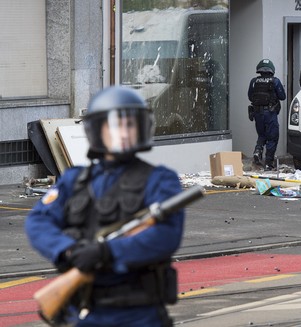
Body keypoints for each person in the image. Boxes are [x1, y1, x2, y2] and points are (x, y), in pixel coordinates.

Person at [25, 86, 184, 327]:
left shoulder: (160, 179)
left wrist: (107, 252)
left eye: (130, 125)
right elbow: (38, 222)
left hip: (139, 314)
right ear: (97, 131)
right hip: (86, 311)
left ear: (142, 128)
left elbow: (165, 236)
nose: (123, 133)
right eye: (115, 125)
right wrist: (68, 250)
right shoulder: (74, 180)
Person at [247, 58, 286, 170]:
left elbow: (250, 96)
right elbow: (283, 97)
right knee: (272, 138)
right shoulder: (275, 81)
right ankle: (269, 163)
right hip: (270, 113)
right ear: (271, 70)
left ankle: (257, 151)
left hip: (257, 113)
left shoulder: (254, 81)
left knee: (261, 135)